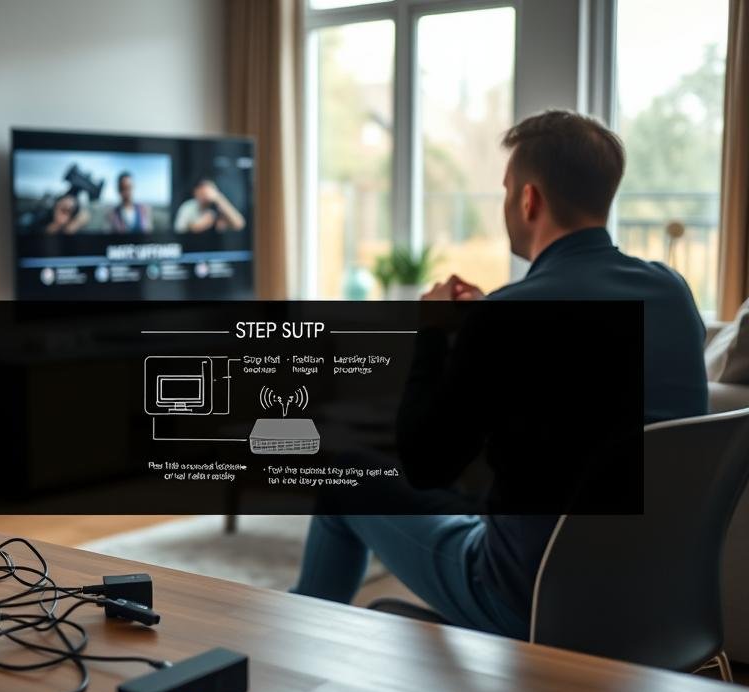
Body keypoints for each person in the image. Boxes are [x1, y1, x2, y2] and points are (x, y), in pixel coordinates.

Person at [292, 110, 709, 639]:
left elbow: (424, 465)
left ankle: (291, 635)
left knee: (344, 479)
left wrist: (432, 332)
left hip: (528, 598)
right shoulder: (671, 291)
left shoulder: (509, 318)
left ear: (529, 199)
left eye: (507, 190)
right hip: (657, 598)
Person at [174, 178, 246, 233]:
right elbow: (179, 230)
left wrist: (219, 199)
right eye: (201, 193)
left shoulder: (221, 205)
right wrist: (195, 227)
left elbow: (239, 224)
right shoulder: (188, 206)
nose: (204, 196)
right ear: (195, 193)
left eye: (207, 192)